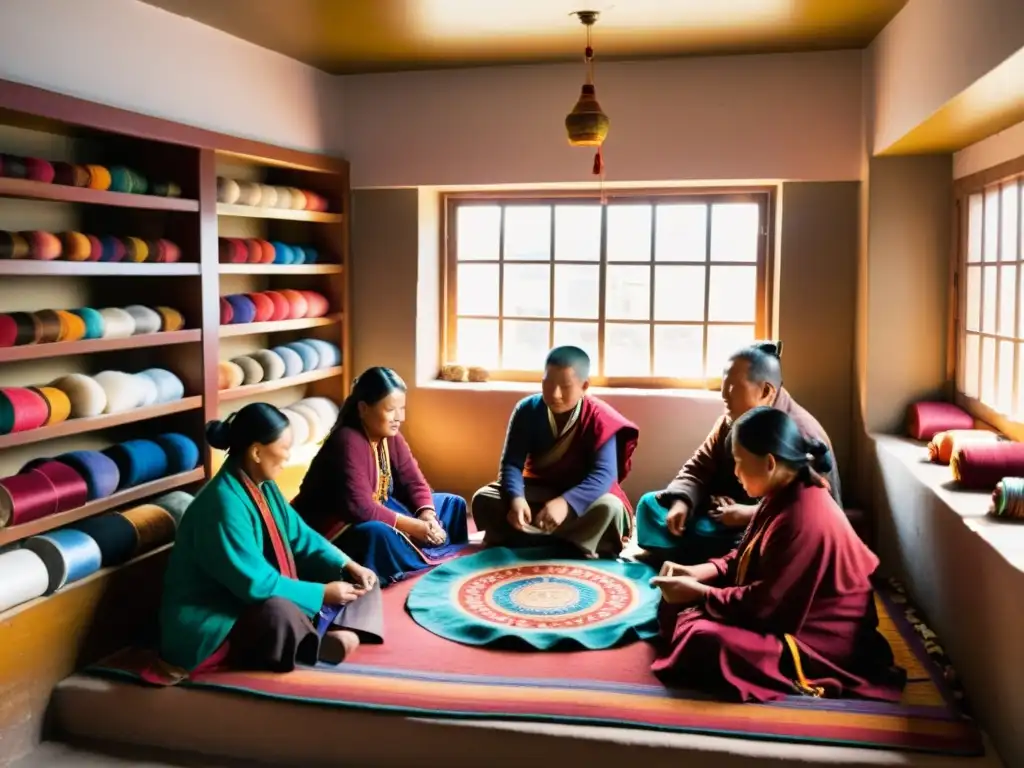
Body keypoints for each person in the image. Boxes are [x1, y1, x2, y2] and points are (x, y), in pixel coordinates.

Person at [648, 406, 905, 702]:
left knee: (704, 640)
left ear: (769, 463)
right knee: (676, 605)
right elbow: (745, 556)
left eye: (740, 462)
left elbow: (766, 605)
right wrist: (700, 572)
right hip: (779, 608)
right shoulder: (783, 491)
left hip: (817, 636)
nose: (735, 472)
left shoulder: (802, 515)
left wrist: (701, 594)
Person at [147, 403, 383, 686]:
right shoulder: (222, 504)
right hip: (217, 612)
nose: (288, 456)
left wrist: (346, 564)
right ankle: (316, 641)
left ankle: (327, 633)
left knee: (363, 577)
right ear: (257, 452)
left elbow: (300, 537)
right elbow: (254, 584)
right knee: (277, 612)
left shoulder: (264, 484)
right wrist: (322, 593)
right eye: (284, 448)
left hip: (256, 592)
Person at [636, 341, 841, 565]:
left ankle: (708, 561)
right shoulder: (731, 419)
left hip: (763, 525)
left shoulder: (799, 432)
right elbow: (698, 467)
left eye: (733, 387)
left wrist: (748, 513)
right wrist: (682, 502)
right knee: (649, 506)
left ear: (765, 391)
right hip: (721, 518)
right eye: (723, 385)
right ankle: (711, 560)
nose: (723, 395)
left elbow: (810, 511)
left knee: (762, 544)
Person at [291, 367, 469, 586]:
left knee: (453, 503)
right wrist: (415, 527)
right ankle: (412, 556)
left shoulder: (389, 434)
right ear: (364, 408)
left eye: (402, 409)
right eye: (391, 410)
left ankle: (417, 549)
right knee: (377, 534)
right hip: (339, 526)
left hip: (383, 508)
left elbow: (413, 479)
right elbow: (361, 509)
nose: (400, 417)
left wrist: (427, 516)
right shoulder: (347, 440)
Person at [471, 346, 640, 558]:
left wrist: (566, 504)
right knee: (485, 498)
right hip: (539, 490)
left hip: (584, 497)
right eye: (548, 384)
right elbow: (511, 464)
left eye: (565, 386)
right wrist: (516, 498)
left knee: (610, 509)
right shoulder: (527, 409)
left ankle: (530, 539)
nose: (554, 394)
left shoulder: (600, 417)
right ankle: (573, 544)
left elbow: (604, 476)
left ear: (584, 386)